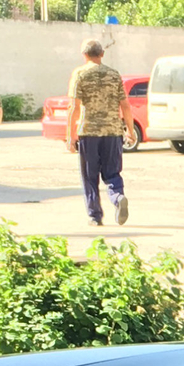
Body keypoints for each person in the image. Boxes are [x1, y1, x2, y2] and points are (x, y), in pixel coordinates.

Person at [65, 39, 129, 227]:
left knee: (89, 175)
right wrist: (130, 130)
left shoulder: (79, 74)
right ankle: (117, 197)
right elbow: (125, 105)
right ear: (102, 54)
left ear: (84, 55)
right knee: (112, 172)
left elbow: (74, 107)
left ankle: (95, 216)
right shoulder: (114, 75)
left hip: (89, 132)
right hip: (113, 131)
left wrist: (71, 136)